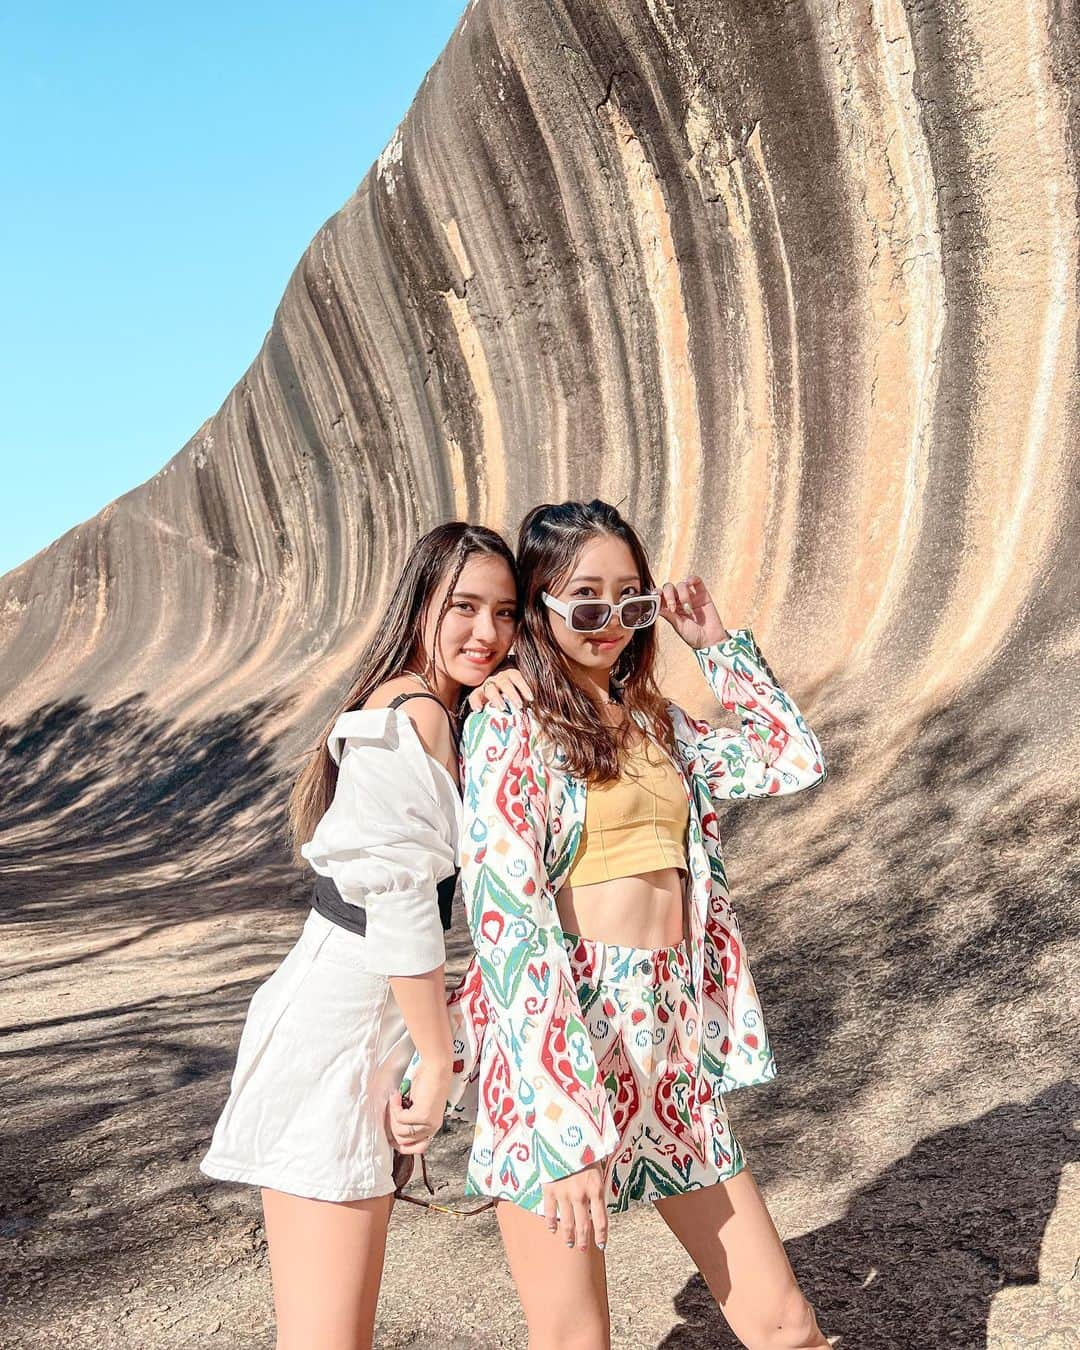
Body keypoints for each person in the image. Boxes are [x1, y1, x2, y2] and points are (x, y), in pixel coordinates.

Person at [441, 499, 830, 1349]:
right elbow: (511, 925)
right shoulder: (509, 722)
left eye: (632, 600)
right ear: (540, 605)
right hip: (562, 1054)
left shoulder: (659, 723)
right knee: (576, 1341)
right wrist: (567, 1125)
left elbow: (790, 758)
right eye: (585, 599)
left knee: (787, 1325)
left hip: (670, 1051)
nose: (609, 621)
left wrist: (719, 649)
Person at [200, 521, 521, 1350]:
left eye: (507, 614)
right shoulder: (409, 717)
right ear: (420, 603)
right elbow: (402, 906)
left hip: (363, 1016)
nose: (485, 632)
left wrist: (496, 687)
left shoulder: (426, 707)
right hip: (341, 1025)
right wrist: (440, 1057)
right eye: (463, 607)